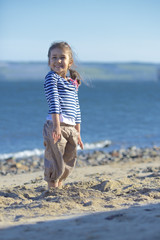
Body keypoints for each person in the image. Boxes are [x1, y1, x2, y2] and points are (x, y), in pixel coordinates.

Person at [43, 41, 83, 189]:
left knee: (69, 159)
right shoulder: (51, 77)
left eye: (62, 57)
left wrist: (78, 133)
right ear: (49, 61)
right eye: (54, 57)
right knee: (55, 159)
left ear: (70, 62)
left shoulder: (73, 83)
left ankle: (59, 185)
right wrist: (56, 126)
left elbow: (77, 109)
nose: (58, 61)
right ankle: (52, 187)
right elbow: (54, 102)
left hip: (71, 128)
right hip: (56, 126)